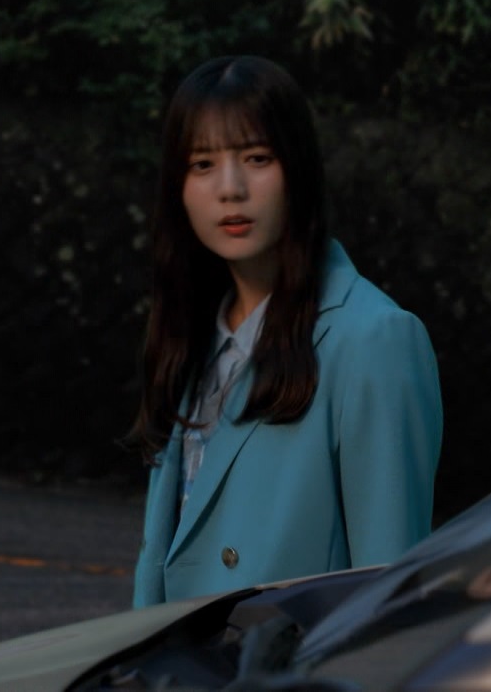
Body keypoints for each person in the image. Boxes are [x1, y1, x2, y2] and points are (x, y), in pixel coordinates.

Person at [129, 55, 443, 608]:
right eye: (202, 164)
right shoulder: (191, 336)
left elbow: (388, 592)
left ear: (298, 169)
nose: (230, 189)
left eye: (257, 158)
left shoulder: (373, 339)